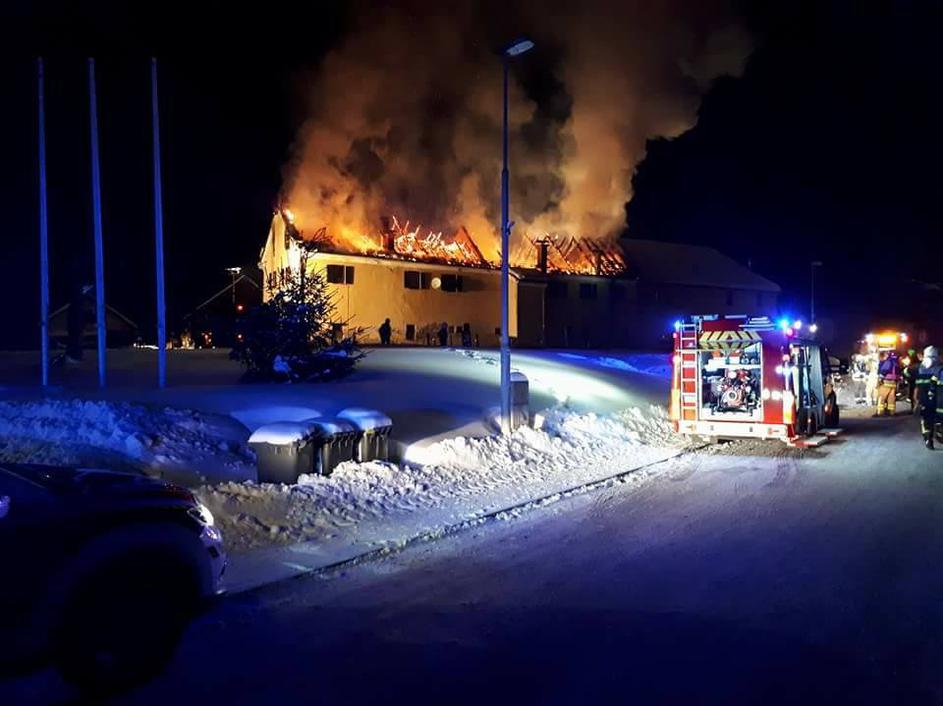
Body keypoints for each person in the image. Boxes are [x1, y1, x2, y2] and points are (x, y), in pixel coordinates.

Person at [915, 346, 942, 449]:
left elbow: (906, 373)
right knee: (937, 418)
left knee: (926, 419)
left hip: (924, 399)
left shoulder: (918, 368)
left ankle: (928, 439)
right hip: (937, 399)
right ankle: (938, 433)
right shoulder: (939, 369)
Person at [874, 351, 900, 417]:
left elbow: (884, 371)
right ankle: (892, 412)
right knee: (891, 398)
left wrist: (879, 380)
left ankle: (880, 412)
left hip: (886, 382)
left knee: (881, 397)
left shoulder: (888, 362)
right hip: (893, 382)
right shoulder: (895, 362)